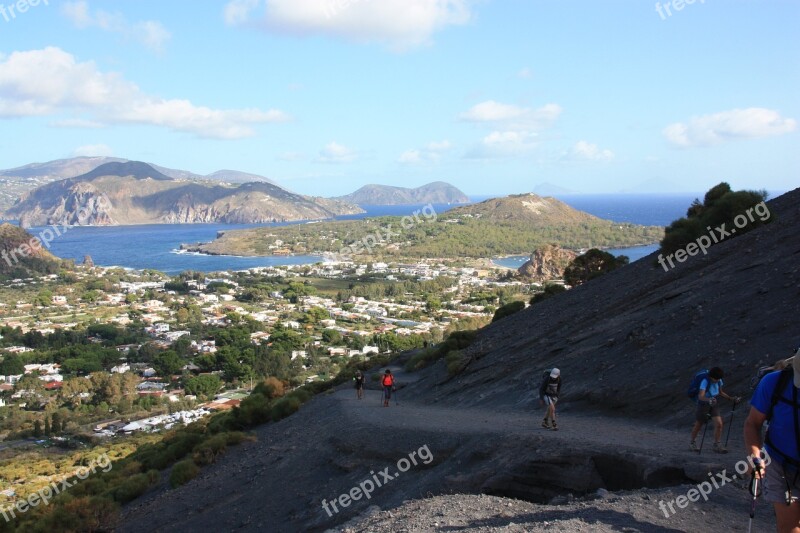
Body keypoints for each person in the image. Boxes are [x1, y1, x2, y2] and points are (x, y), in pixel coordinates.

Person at [744, 348, 800, 533]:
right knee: (788, 527)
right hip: (779, 464)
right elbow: (753, 423)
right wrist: (754, 455)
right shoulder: (775, 382)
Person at [689, 367, 739, 453]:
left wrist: (731, 398)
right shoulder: (705, 381)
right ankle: (692, 443)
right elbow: (701, 396)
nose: (717, 381)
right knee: (699, 424)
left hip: (714, 403)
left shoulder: (719, 380)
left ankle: (717, 445)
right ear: (711, 377)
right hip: (703, 404)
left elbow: (720, 392)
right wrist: (709, 400)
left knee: (719, 424)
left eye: (719, 379)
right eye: (716, 379)